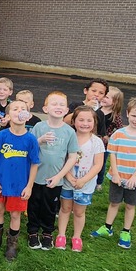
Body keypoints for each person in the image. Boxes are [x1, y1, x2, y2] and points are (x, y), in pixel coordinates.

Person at [91, 97, 136, 249]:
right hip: (117, 177)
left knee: (130, 206)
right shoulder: (118, 134)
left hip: (135, 180)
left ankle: (126, 231)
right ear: (127, 114)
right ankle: (108, 227)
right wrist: (116, 174)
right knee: (114, 203)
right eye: (134, 115)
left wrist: (135, 176)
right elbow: (112, 154)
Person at [0, 101, 40, 262]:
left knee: (15, 214)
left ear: (28, 116)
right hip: (2, 182)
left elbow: (35, 164)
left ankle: (12, 244)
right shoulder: (2, 135)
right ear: (8, 116)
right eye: (15, 109)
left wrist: (29, 186)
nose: (19, 111)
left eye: (23, 109)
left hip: (20, 186)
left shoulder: (31, 139)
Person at [27, 92, 79, 250]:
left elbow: (72, 157)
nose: (58, 107)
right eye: (54, 104)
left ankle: (48, 232)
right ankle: (33, 231)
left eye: (62, 104)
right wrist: (40, 140)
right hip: (36, 176)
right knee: (34, 204)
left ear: (66, 110)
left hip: (55, 178)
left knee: (50, 206)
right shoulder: (39, 127)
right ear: (45, 108)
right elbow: (29, 149)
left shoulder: (69, 132)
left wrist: (59, 177)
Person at [56, 105, 105, 253]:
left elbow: (98, 165)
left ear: (94, 123)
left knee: (79, 212)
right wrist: (69, 176)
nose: (85, 123)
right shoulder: (68, 138)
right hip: (67, 182)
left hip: (86, 184)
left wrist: (84, 180)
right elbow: (62, 160)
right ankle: (61, 235)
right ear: (74, 122)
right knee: (65, 209)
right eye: (81, 120)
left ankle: (77, 237)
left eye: (89, 120)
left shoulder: (97, 142)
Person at [95, 86, 124, 188]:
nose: (103, 98)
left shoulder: (115, 115)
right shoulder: (96, 109)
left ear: (114, 102)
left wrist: (110, 137)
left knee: (101, 163)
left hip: (104, 144)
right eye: (103, 96)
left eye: (107, 97)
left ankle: (98, 182)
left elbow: (120, 129)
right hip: (91, 139)